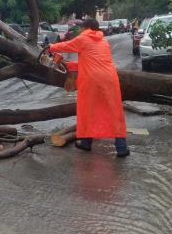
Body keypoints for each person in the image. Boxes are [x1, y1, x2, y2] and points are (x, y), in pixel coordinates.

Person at [48, 18, 130, 157]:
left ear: (86, 28)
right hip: (110, 78)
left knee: (88, 109)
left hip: (91, 79)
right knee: (114, 110)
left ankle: (86, 143)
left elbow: (66, 46)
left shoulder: (83, 39)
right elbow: (92, 59)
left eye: (82, 28)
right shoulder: (104, 41)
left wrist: (50, 47)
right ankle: (121, 147)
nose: (80, 31)